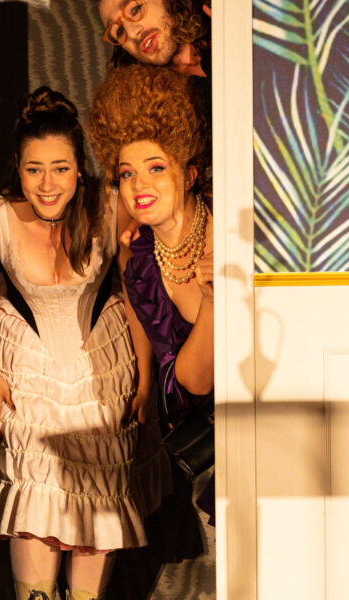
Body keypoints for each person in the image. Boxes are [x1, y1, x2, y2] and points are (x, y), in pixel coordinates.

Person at [0, 86, 170, 600]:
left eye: (60, 168)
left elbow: (134, 292)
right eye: (34, 169)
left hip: (99, 369)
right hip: (27, 366)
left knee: (97, 500)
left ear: (79, 169)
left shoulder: (110, 209)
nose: (47, 183)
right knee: (34, 500)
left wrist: (145, 380)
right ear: (18, 168)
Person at [91, 64, 215, 524]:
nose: (139, 185)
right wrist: (213, 303)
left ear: (190, 173)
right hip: (227, 440)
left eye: (156, 168)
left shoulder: (232, 224)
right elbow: (192, 385)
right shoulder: (140, 264)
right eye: (126, 174)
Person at [98, 0, 211, 77]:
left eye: (135, 9)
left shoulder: (219, 19)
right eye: (119, 31)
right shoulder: (147, 102)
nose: (131, 33)